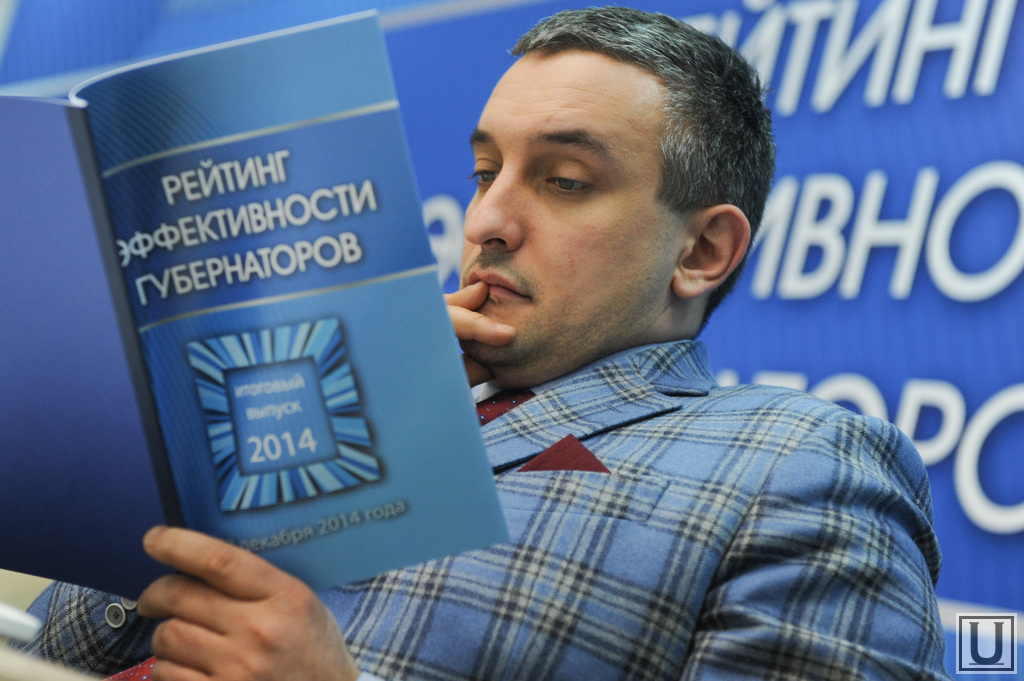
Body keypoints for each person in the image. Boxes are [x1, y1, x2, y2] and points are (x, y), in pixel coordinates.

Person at [13, 7, 950, 680]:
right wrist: (227, 470)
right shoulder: (360, 402)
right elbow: (52, 649)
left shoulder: (798, 463)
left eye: (565, 179)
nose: (486, 220)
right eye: (484, 171)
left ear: (702, 251)